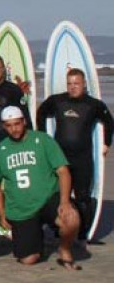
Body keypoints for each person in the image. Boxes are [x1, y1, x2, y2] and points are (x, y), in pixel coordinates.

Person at [0, 106, 82, 270]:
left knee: (71, 218)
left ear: (24, 121)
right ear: (3, 126)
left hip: (48, 198)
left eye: (17, 124)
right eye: (8, 125)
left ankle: (64, 249)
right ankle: (36, 239)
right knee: (29, 259)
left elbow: (63, 171)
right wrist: (1, 214)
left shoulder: (43, 140)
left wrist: (65, 202)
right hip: (21, 209)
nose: (14, 129)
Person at [36, 68, 113, 241]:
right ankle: (59, 228)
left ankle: (83, 232)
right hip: (60, 158)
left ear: (84, 84)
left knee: (82, 196)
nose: (73, 87)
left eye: (76, 83)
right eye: (70, 84)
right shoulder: (57, 101)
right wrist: (43, 138)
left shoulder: (93, 104)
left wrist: (107, 143)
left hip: (82, 158)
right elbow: (41, 113)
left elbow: (109, 121)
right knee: (60, 195)